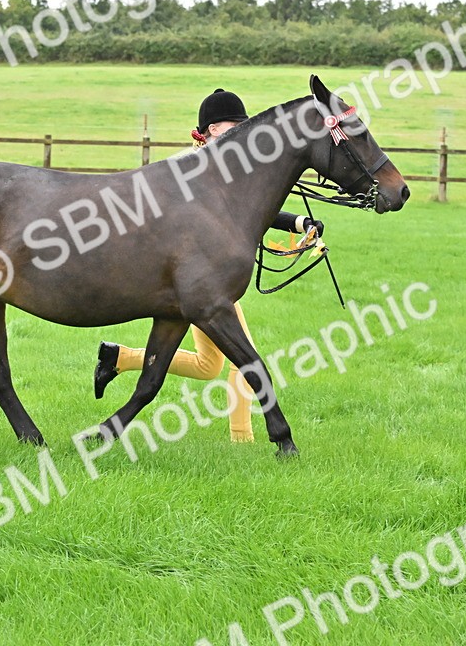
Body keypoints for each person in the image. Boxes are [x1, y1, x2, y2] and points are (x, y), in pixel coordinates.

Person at [92, 89, 323, 443]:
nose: (243, 133)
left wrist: (300, 224)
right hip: (191, 281)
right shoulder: (186, 168)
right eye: (236, 126)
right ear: (214, 129)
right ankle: (242, 437)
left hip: (208, 279)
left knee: (208, 365)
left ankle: (118, 357)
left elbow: (254, 211)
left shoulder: (228, 170)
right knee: (241, 355)